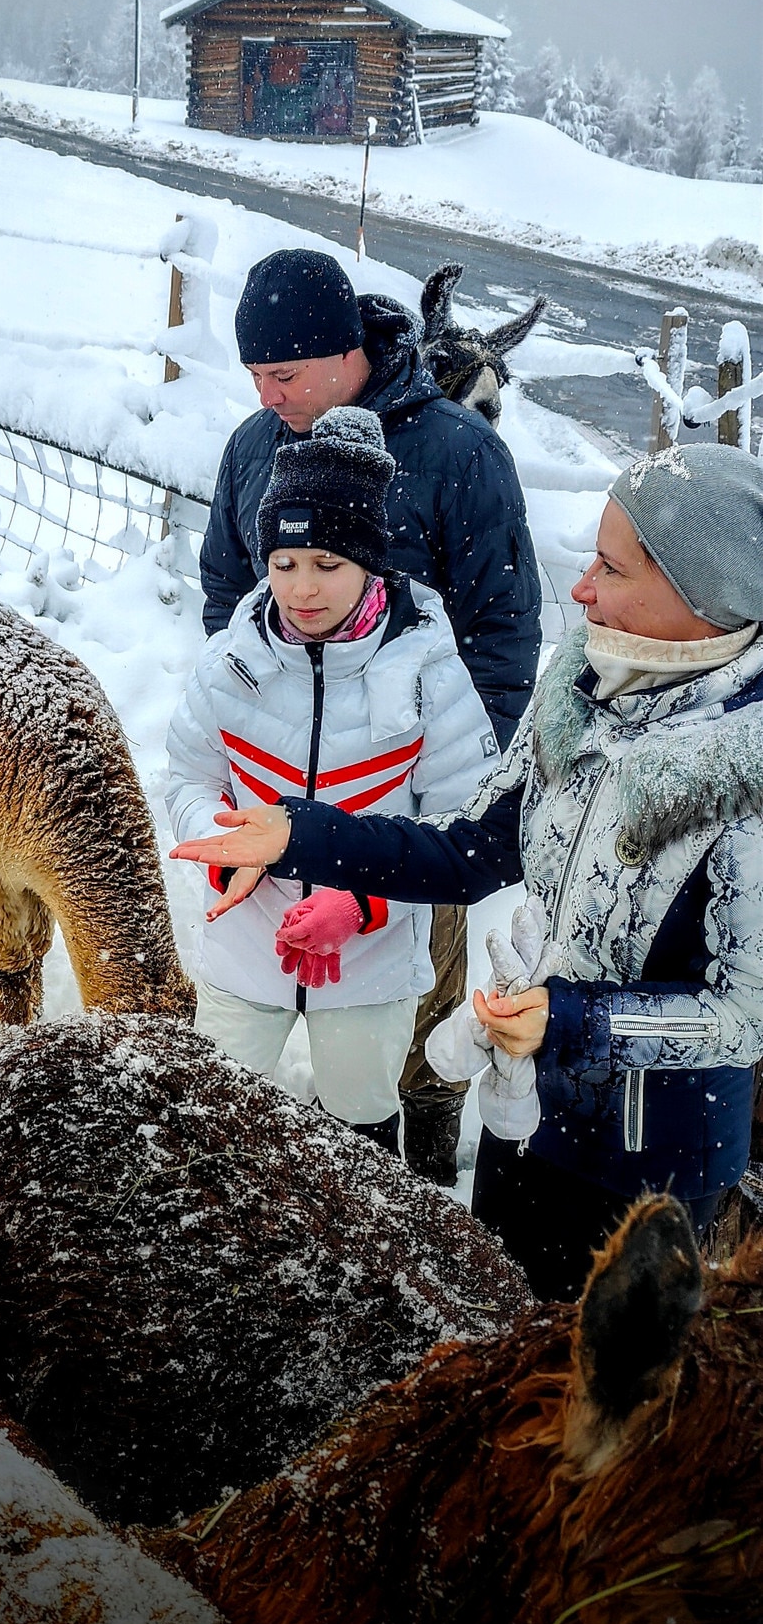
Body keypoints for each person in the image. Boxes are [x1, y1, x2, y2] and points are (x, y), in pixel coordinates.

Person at [172, 442, 763, 1300]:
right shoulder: (583, 689)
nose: (582, 586)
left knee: (592, 1400)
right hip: (524, 1120)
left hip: (652, 1167)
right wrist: (297, 837)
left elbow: (746, 1012)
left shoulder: (748, 775)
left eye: (611, 566)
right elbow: (472, 846)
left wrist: (574, 1022)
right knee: (492, 1340)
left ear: (701, 594)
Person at [200, 245, 542, 1187]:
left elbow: (503, 630)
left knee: (407, 1033)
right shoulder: (254, 448)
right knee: (247, 1025)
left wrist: (462, 794)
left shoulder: (453, 455)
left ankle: (415, 1195)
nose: (268, 396)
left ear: (347, 350)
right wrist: (245, 728)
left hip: (404, 808)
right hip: (272, 806)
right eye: (255, 378)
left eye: (285, 374)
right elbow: (225, 592)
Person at [167, 404, 500, 1151]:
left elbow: (463, 824)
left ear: (371, 562)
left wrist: (362, 905)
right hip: (247, 939)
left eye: (327, 564)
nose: (302, 589)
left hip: (368, 959)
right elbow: (189, 776)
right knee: (216, 1125)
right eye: (283, 564)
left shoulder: (427, 673)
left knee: (358, 1125)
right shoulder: (230, 665)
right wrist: (228, 858)